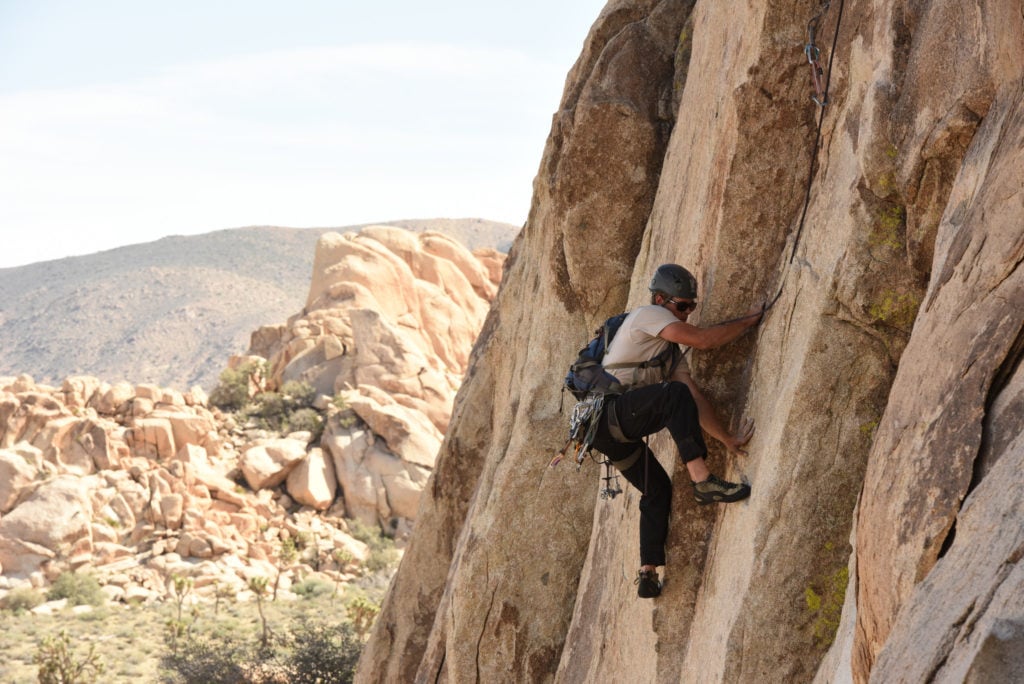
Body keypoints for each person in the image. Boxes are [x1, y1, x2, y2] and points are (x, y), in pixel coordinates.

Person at [590, 263, 763, 598]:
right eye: (682, 306)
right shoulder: (647, 316)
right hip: (609, 415)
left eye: (691, 307)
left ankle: (648, 572)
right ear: (660, 299)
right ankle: (703, 482)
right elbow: (703, 341)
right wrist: (750, 320)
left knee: (657, 488)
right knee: (673, 395)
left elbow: (693, 399)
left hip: (607, 430)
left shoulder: (667, 355)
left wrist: (726, 439)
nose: (685, 315)